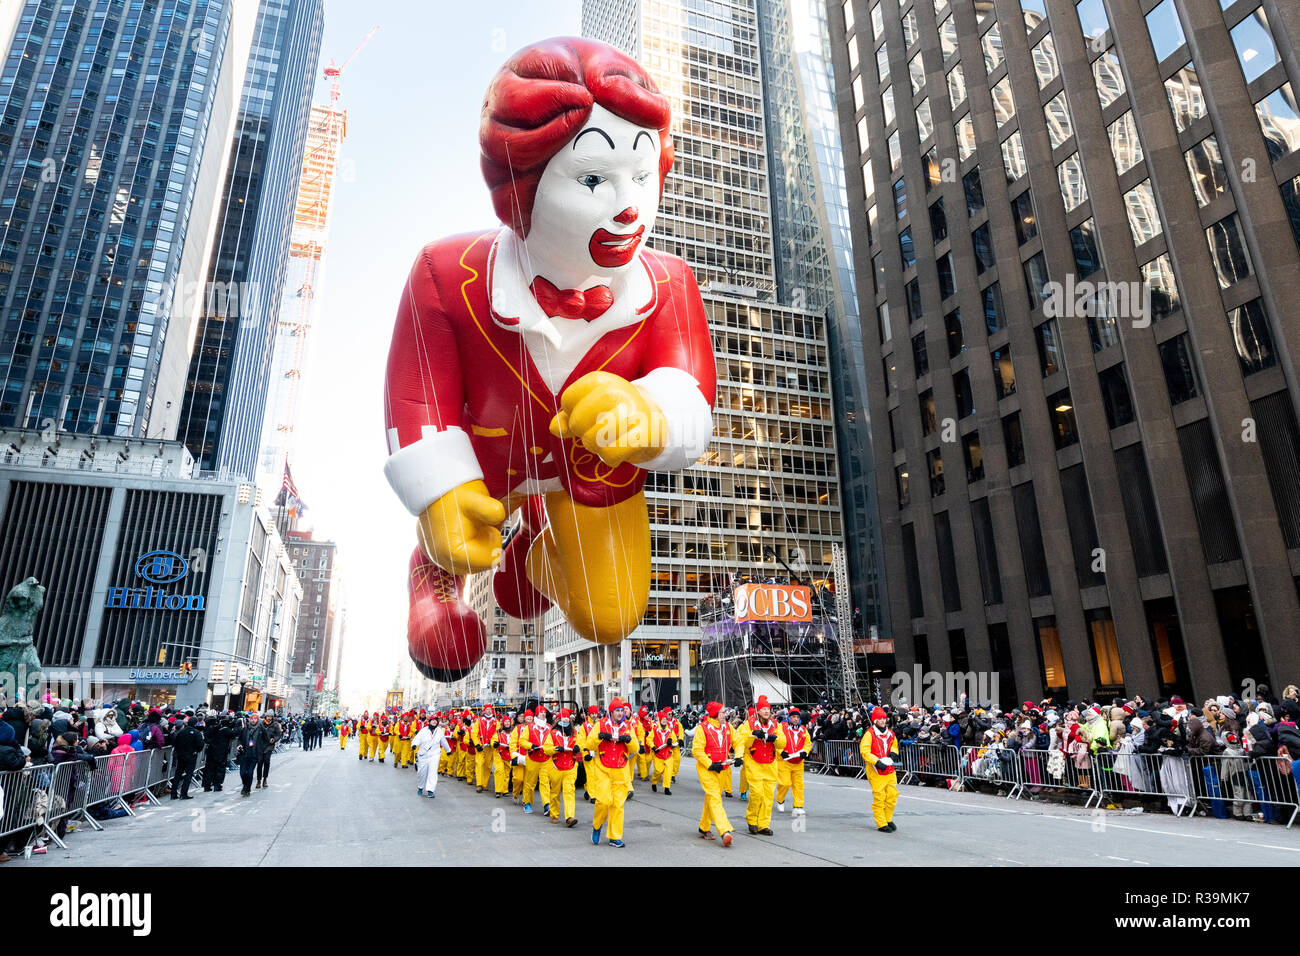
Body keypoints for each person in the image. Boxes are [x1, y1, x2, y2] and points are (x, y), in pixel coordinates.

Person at [589, 698, 639, 847]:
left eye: (621, 710)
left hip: (621, 769)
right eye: (617, 710)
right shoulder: (600, 725)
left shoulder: (627, 726)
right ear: (611, 712)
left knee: (618, 805)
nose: (620, 713)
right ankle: (597, 825)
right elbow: (589, 744)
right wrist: (599, 737)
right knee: (603, 801)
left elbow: (635, 747)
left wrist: (628, 740)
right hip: (603, 768)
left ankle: (614, 836)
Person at [692, 701, 735, 847]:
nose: (726, 714)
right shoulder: (702, 728)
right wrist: (710, 764)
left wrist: (740, 756)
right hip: (707, 770)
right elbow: (697, 750)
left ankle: (704, 827)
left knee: (711, 798)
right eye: (723, 712)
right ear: (716, 714)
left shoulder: (728, 727)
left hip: (722, 769)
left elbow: (739, 741)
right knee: (715, 798)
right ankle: (725, 831)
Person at [735, 695, 780, 835]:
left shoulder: (775, 724)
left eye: (768, 709)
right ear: (758, 711)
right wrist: (753, 735)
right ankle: (752, 820)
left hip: (770, 764)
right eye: (764, 709)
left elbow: (783, 742)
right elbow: (741, 740)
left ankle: (763, 824)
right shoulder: (749, 723)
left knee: (768, 796)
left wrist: (776, 739)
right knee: (756, 793)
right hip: (754, 762)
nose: (767, 711)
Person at [859, 706, 900, 832]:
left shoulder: (890, 733)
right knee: (879, 797)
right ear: (875, 721)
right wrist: (876, 761)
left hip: (889, 768)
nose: (882, 721)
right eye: (879, 719)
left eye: (883, 718)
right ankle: (881, 822)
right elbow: (864, 751)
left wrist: (893, 753)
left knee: (892, 795)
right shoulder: (869, 734)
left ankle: (888, 818)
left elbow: (894, 745)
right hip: (875, 770)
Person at [544, 708, 580, 826]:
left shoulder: (574, 732)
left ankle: (570, 816)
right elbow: (546, 748)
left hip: (570, 765)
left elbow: (580, 744)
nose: (565, 719)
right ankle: (554, 814)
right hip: (556, 766)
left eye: (567, 717)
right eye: (563, 717)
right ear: (558, 719)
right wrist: (555, 749)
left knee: (569, 791)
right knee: (555, 792)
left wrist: (577, 748)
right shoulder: (552, 733)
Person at [775, 706, 812, 816]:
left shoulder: (803, 730)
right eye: (793, 717)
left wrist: (805, 752)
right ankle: (780, 800)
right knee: (785, 783)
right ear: (789, 717)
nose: (795, 719)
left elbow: (807, 743)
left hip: (798, 762)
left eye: (797, 717)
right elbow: (776, 741)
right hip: (785, 761)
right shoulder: (781, 727)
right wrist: (781, 751)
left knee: (798, 785)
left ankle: (798, 806)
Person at [520, 708, 552, 814]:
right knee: (530, 783)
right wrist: (531, 745)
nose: (543, 714)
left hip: (545, 759)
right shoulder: (529, 727)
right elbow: (522, 741)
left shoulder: (549, 727)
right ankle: (527, 802)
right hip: (533, 758)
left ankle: (547, 805)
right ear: (537, 715)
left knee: (545, 783)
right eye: (540, 713)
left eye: (544, 713)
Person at [413, 717, 451, 797]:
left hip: (434, 754)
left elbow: (443, 741)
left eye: (435, 720)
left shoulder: (440, 731)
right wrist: (414, 745)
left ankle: (430, 790)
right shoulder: (423, 730)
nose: (434, 722)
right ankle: (420, 787)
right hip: (423, 754)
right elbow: (417, 739)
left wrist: (448, 750)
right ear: (429, 721)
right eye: (432, 720)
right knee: (421, 773)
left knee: (433, 772)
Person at [170, 715, 204, 800]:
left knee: (178, 774)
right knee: (188, 774)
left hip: (181, 755)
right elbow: (200, 744)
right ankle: (183, 793)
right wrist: (196, 750)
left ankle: (173, 793)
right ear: (195, 723)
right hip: (191, 755)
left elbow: (175, 742)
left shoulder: (181, 732)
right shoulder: (196, 733)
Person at [471, 705, 499, 792]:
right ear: (484, 711)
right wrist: (477, 744)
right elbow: (474, 733)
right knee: (479, 764)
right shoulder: (479, 721)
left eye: (490, 709)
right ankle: (479, 784)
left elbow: (496, 734)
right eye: (487, 709)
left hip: (489, 747)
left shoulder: (496, 722)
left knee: (488, 766)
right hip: (481, 746)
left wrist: (493, 743)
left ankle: (484, 784)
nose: (489, 711)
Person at [649, 708, 677, 794]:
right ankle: (654, 782)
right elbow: (649, 739)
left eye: (665, 719)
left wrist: (671, 741)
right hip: (658, 754)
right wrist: (653, 747)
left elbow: (674, 739)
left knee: (668, 772)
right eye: (663, 719)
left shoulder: (670, 730)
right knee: (658, 771)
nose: (664, 721)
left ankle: (666, 788)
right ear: (660, 720)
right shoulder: (655, 729)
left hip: (668, 754)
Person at [492, 712, 516, 799]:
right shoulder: (498, 732)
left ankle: (504, 790)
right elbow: (493, 740)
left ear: (510, 723)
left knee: (506, 773)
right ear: (503, 723)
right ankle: (498, 790)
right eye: (505, 722)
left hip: (509, 755)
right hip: (499, 754)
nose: (507, 723)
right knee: (499, 771)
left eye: (508, 722)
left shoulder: (513, 732)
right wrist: (494, 744)